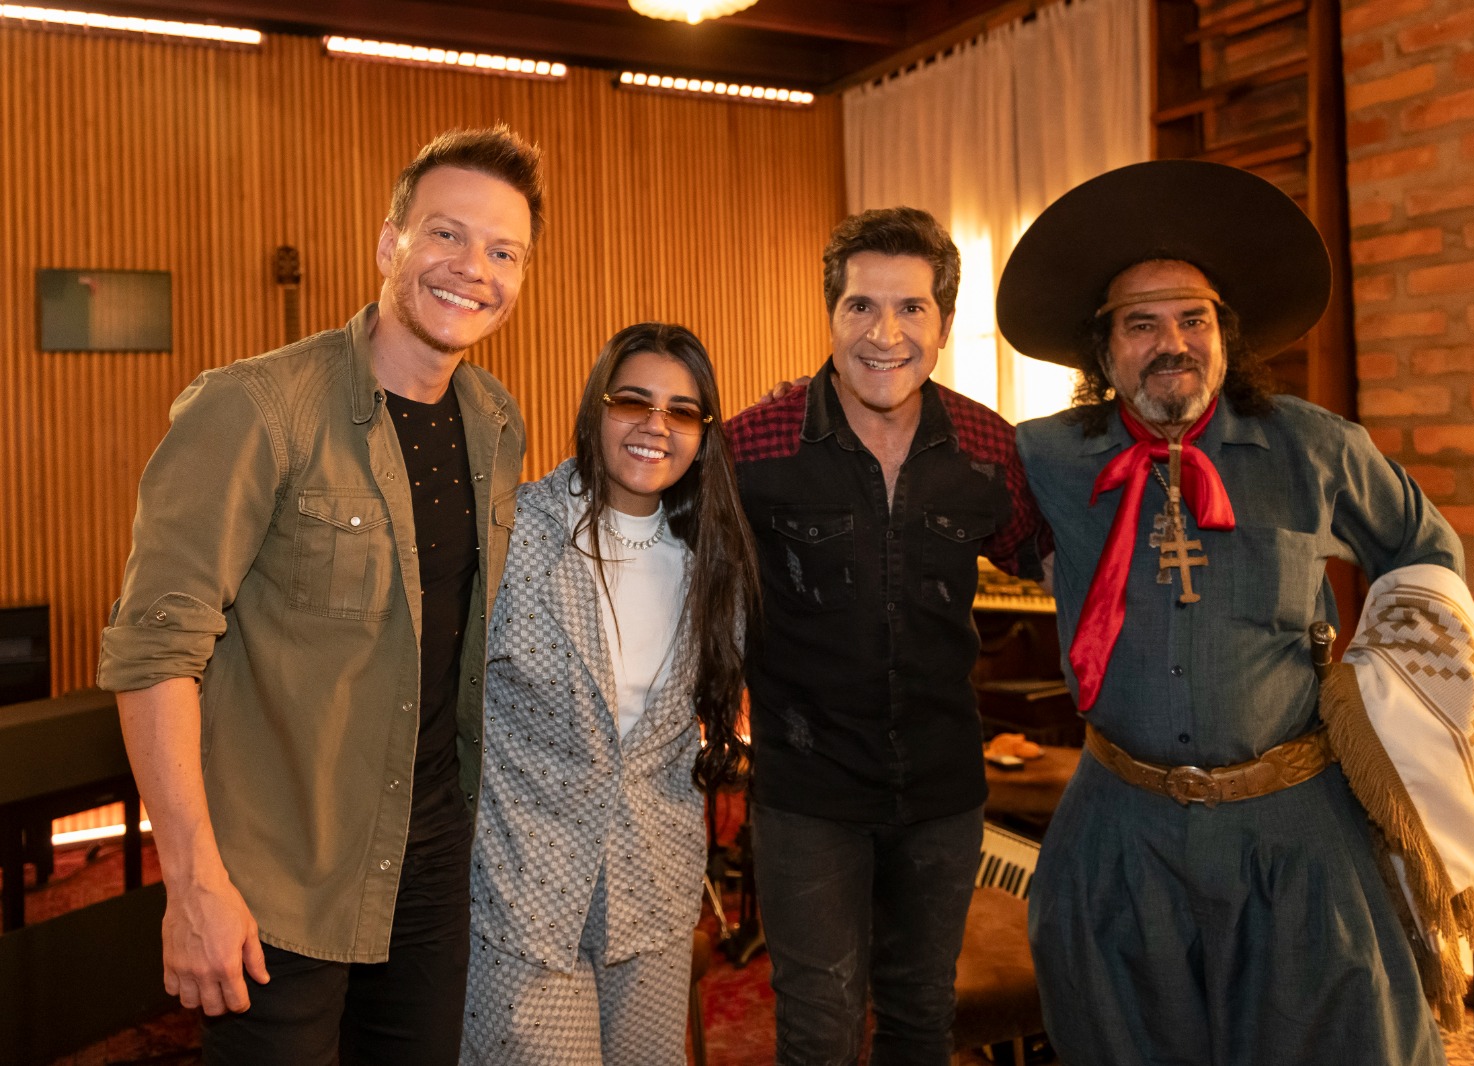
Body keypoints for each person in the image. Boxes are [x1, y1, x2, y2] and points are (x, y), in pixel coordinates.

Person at [995, 159, 1460, 1065]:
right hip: (1118, 833)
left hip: (1296, 829)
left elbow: (1427, 554)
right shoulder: (1045, 455)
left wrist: (1377, 698)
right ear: (1104, 351)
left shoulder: (1317, 448)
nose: (1171, 343)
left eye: (1192, 319)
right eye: (1141, 325)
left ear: (1225, 335)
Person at [97, 126, 543, 1064]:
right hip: (277, 876)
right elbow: (152, 652)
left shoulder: (496, 422)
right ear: (390, 245)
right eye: (446, 235)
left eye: (504, 251)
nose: (474, 269)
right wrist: (193, 883)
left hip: (427, 869)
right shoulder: (255, 408)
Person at [726, 206, 1048, 1064]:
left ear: (943, 322)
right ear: (830, 314)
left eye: (911, 308)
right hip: (808, 797)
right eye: (861, 307)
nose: (885, 333)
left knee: (919, 1018)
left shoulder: (988, 449)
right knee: (821, 1031)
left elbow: (1059, 566)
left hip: (943, 793)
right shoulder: (756, 445)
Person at [460, 322, 759, 1064]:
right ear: (596, 406)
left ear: (703, 433)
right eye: (634, 400)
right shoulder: (513, 530)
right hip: (521, 896)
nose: (656, 425)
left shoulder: (712, 564)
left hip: (652, 896)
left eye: (683, 411)